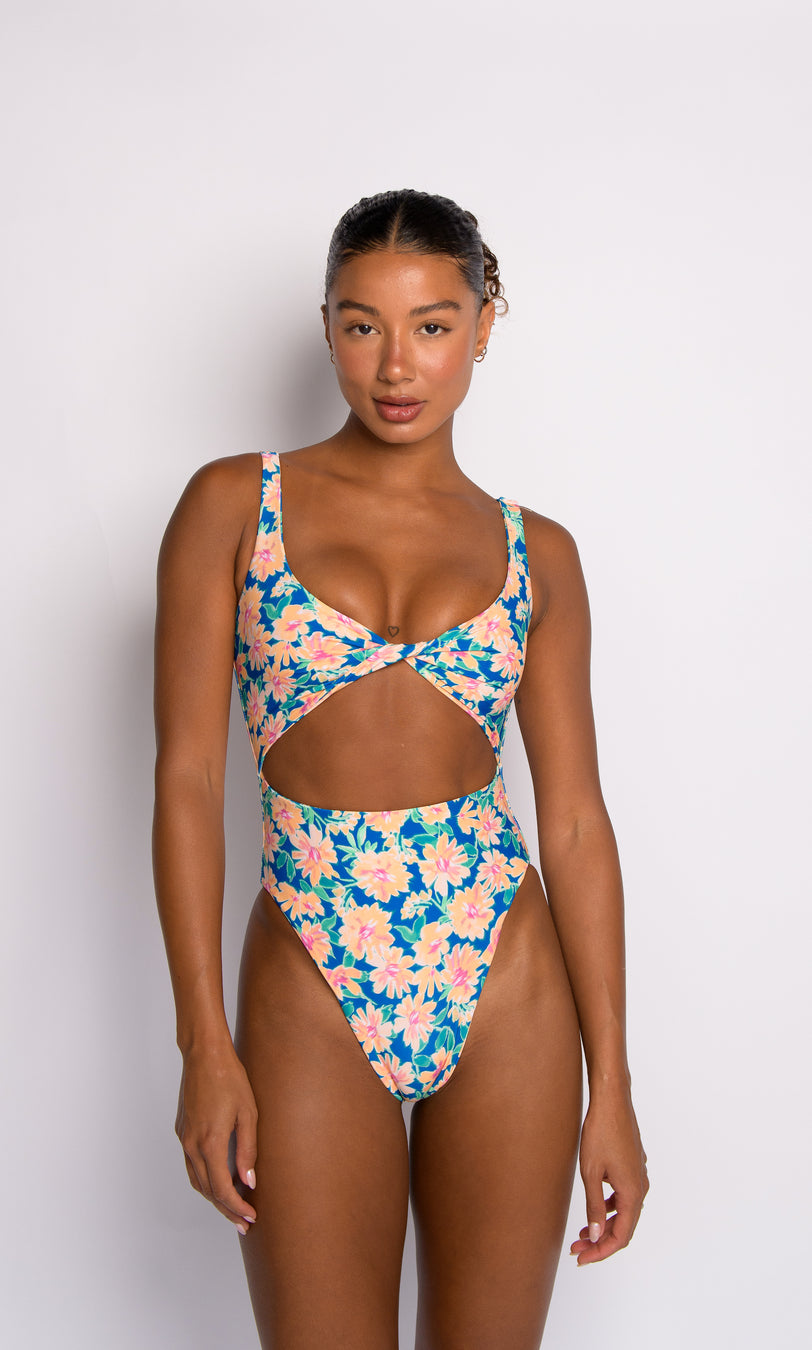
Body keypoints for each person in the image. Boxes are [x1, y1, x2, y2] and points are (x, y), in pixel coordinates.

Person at [152, 189, 648, 1349]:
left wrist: (614, 1085)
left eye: (432, 324)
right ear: (326, 326)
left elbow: (576, 823)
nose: (395, 365)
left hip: (505, 968)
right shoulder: (235, 505)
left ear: (483, 325)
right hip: (309, 965)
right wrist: (202, 1045)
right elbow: (186, 781)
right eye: (361, 324)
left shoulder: (539, 553)